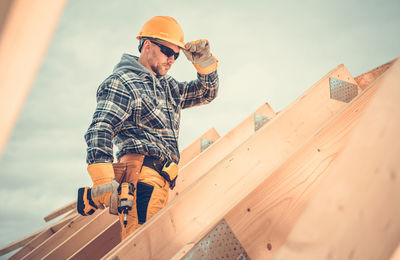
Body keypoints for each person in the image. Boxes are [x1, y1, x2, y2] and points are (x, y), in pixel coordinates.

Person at [76, 16, 219, 239]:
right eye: (167, 51)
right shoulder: (123, 81)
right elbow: (100, 129)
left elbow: (205, 93)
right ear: (147, 45)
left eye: (176, 55)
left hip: (163, 182)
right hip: (142, 180)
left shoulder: (167, 86)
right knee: (144, 249)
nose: (172, 59)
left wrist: (204, 62)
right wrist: (104, 182)